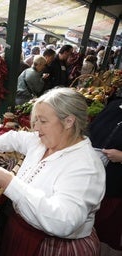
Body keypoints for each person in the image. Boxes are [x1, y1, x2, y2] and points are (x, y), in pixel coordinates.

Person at [0, 87, 105, 256]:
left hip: (53, 246)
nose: (36, 128)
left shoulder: (86, 167)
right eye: (35, 120)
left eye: (43, 121)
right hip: (21, 229)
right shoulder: (43, 141)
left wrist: (9, 182)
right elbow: (17, 138)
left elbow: (64, 221)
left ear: (69, 121)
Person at [89, 88, 122, 255]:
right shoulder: (115, 105)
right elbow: (92, 129)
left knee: (106, 230)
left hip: (114, 187)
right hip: (93, 180)